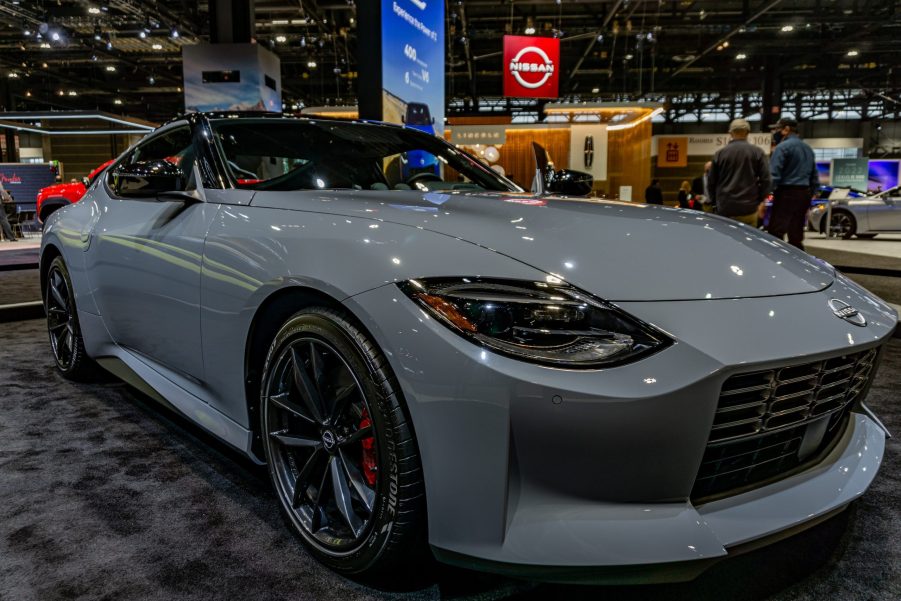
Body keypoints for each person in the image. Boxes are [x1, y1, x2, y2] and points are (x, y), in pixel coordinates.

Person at [708, 118, 772, 226]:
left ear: (730, 133)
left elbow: (711, 182)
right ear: (747, 132)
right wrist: (761, 201)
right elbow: (766, 179)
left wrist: (714, 203)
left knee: (726, 240)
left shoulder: (720, 154)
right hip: (749, 208)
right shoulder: (757, 152)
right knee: (748, 240)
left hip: (725, 208)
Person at [767, 116, 818, 250]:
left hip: (786, 193)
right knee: (796, 234)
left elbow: (774, 174)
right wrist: (810, 195)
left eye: (778, 129)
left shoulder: (782, 147)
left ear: (786, 129)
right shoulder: (808, 149)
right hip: (804, 194)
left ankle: (774, 263)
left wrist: (765, 194)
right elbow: (814, 177)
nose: (776, 132)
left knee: (776, 233)